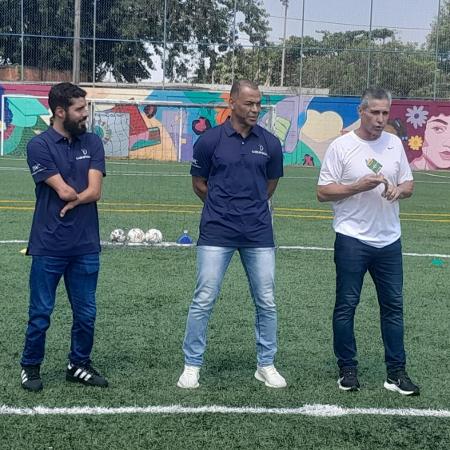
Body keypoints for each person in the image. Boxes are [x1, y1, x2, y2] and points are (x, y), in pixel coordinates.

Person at [177, 80, 286, 389]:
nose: (255, 109)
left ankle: (266, 364)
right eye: (249, 103)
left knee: (266, 301)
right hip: (216, 231)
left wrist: (249, 208)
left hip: (258, 233)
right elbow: (199, 183)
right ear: (233, 103)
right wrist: (222, 207)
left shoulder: (270, 143)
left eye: (258, 104)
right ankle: (191, 365)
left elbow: (270, 185)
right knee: (204, 299)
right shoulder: (209, 140)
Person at [317, 87, 420, 396]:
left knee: (393, 307)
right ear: (361, 112)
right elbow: (323, 192)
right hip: (352, 238)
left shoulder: (394, 145)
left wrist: (399, 191)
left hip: (389, 240)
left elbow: (409, 183)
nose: (380, 118)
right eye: (374, 112)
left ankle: (396, 373)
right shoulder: (342, 146)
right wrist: (356, 186)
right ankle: (347, 370)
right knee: (346, 305)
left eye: (385, 113)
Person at [20, 82, 108, 391]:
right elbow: (65, 190)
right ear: (60, 112)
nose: (85, 114)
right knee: (41, 312)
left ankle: (78, 365)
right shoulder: (39, 145)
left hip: (85, 245)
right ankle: (30, 367)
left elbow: (93, 191)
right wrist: (77, 195)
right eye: (79, 109)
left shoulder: (93, 143)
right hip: (48, 244)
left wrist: (77, 199)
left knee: (86, 313)